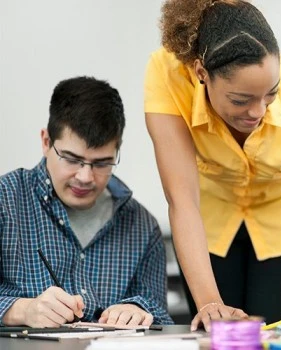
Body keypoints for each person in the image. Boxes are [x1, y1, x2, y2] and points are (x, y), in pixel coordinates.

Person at [144, 0, 281, 330]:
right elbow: (182, 198)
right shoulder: (169, 75)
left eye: (270, 95)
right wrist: (210, 303)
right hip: (210, 227)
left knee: (277, 340)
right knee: (220, 336)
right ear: (202, 73)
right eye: (240, 100)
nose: (258, 111)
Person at [0, 76, 173, 327]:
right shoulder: (6, 200)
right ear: (46, 142)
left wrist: (138, 311)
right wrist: (22, 310)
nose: (85, 177)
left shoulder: (142, 226)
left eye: (102, 163)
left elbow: (161, 317)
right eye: (71, 159)